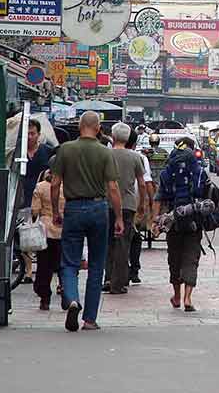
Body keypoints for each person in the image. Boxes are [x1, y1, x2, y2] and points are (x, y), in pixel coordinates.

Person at [51, 111, 124, 332]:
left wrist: (56, 210)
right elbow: (112, 187)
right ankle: (90, 319)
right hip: (98, 208)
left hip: (73, 208)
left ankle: (72, 299)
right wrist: (119, 217)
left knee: (70, 262)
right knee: (96, 265)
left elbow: (54, 184)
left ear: (80, 126)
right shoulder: (105, 152)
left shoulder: (65, 149)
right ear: (98, 127)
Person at [152, 136, 207, 312]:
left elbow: (159, 197)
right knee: (191, 258)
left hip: (172, 222)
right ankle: (188, 298)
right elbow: (208, 195)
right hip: (194, 222)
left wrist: (156, 221)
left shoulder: (167, 172)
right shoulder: (199, 171)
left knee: (174, 259)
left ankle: (176, 296)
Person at [104, 123, 145, 295]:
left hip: (106, 204)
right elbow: (142, 184)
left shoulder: (105, 154)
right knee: (122, 244)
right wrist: (142, 204)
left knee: (107, 243)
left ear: (113, 137)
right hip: (128, 204)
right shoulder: (135, 157)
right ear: (128, 139)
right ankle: (119, 283)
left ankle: (108, 277)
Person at [21, 119, 52, 286]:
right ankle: (27, 270)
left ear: (39, 135)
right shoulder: (19, 154)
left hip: (44, 200)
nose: (29, 137)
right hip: (23, 197)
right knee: (25, 233)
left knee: (42, 234)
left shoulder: (47, 152)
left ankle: (42, 267)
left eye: (32, 133)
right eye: (27, 133)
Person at [32, 164, 64, 311]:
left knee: (44, 265)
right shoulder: (69, 186)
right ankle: (66, 291)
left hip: (45, 230)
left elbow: (35, 210)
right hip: (64, 229)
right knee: (64, 264)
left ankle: (45, 298)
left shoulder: (40, 187)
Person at [129, 130, 154, 285]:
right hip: (135, 203)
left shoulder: (110, 155)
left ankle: (121, 271)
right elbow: (145, 182)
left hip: (116, 203)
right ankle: (134, 271)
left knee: (120, 238)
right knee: (135, 237)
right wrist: (149, 202)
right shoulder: (140, 158)